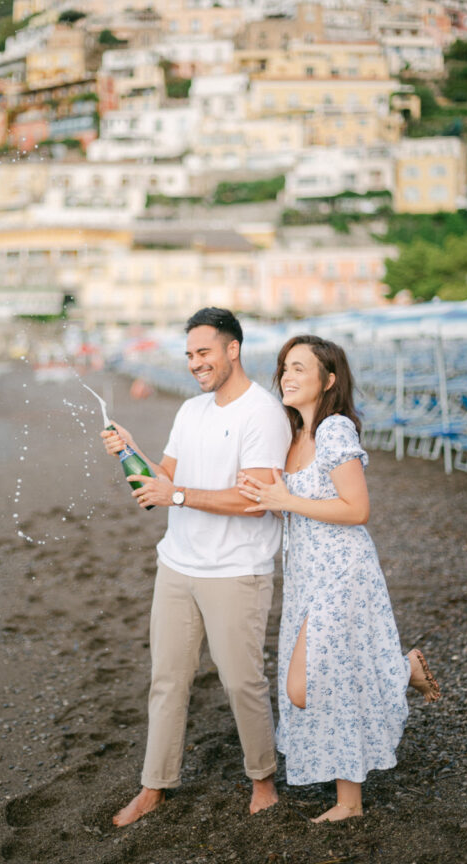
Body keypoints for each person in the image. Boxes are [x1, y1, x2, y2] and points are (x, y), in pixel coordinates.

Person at [237, 335, 440, 824]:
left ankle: (397, 671)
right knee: (331, 682)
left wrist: (286, 502)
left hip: (343, 571)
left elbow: (358, 509)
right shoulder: (291, 437)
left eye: (300, 368)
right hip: (306, 573)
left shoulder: (335, 431)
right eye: (284, 367)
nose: (286, 375)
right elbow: (294, 506)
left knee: (304, 687)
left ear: (328, 380)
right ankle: (350, 799)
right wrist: (266, 500)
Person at [101, 307, 291, 827]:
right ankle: (153, 786)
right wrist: (131, 451)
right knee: (167, 680)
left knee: (240, 681)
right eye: (189, 355)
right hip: (178, 565)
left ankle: (263, 780)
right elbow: (164, 479)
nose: (195, 364)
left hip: (237, 570)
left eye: (203, 352)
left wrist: (176, 493)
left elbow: (255, 499)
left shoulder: (263, 413)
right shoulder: (191, 412)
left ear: (233, 349)